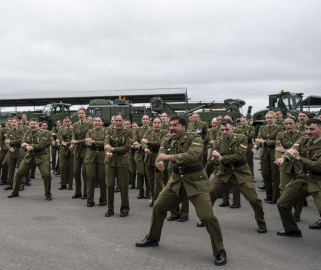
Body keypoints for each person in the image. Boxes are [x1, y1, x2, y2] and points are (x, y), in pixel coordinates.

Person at [136, 116, 226, 266]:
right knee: (158, 207)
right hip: (176, 181)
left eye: (175, 125)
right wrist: (159, 163)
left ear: (184, 127)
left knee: (207, 216)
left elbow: (193, 155)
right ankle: (153, 237)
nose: (172, 128)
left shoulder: (195, 138)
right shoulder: (167, 139)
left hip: (196, 181)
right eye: (170, 125)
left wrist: (168, 157)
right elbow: (160, 154)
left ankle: (220, 251)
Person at [204, 119, 267, 233]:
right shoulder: (218, 141)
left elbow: (240, 156)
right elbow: (215, 158)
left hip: (241, 173)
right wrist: (215, 159)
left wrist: (221, 158)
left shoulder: (241, 138)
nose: (224, 132)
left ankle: (261, 223)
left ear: (232, 129)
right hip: (224, 173)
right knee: (210, 195)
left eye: (227, 129)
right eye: (222, 130)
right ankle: (206, 219)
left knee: (254, 200)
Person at [276, 118, 321, 235]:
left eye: (312, 129)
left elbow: (317, 166)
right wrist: (284, 158)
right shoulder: (304, 139)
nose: (308, 132)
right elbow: (293, 150)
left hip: (318, 180)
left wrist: (300, 158)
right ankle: (291, 230)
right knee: (282, 203)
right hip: (304, 178)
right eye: (306, 129)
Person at [8, 118, 52, 200]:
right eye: (31, 124)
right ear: (29, 125)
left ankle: (48, 193)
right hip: (31, 156)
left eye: (34, 124)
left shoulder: (44, 133)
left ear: (38, 124)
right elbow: (22, 143)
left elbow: (41, 145)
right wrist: (26, 146)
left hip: (42, 156)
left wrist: (30, 146)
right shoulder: (27, 132)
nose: (33, 126)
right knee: (19, 173)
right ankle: (15, 192)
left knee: (46, 175)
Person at [275, 117, 305, 221]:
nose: (288, 126)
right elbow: (278, 149)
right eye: (286, 124)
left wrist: (285, 150)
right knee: (284, 189)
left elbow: (300, 150)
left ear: (295, 124)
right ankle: (287, 213)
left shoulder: (302, 135)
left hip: (298, 165)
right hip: (285, 165)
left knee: (299, 190)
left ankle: (297, 214)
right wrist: (279, 158)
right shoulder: (280, 135)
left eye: (291, 123)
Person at [104, 114, 133, 217]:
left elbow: (126, 148)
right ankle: (110, 209)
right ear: (114, 121)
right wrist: (108, 151)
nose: (118, 123)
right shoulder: (109, 130)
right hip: (110, 160)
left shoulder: (129, 131)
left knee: (123, 186)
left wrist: (113, 149)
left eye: (120, 121)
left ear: (123, 121)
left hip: (122, 161)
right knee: (109, 185)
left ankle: (124, 209)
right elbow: (106, 144)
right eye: (116, 120)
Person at [254, 112, 283, 203]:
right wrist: (255, 146)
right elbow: (258, 139)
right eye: (267, 118)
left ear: (274, 118)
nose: (269, 119)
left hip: (275, 153)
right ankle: (269, 195)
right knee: (265, 174)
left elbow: (278, 141)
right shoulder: (263, 127)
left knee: (275, 176)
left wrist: (266, 142)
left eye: (271, 118)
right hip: (265, 154)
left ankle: (275, 197)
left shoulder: (279, 128)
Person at [84, 117, 107, 207]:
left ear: (102, 123)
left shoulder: (106, 131)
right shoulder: (89, 132)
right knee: (90, 178)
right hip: (91, 157)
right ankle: (90, 200)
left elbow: (106, 143)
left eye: (99, 121)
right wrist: (92, 143)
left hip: (102, 156)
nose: (97, 122)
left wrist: (93, 142)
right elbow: (87, 143)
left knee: (102, 179)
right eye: (95, 121)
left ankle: (103, 199)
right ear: (93, 123)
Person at [71, 108, 92, 199]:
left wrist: (77, 142)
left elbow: (89, 138)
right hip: (77, 151)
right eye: (79, 113)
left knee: (85, 172)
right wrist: (72, 144)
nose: (80, 115)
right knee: (75, 171)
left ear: (85, 114)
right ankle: (78, 192)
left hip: (85, 150)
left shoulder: (90, 125)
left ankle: (86, 193)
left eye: (82, 113)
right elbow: (73, 138)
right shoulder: (75, 125)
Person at [57, 117, 74, 191]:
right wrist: (61, 142)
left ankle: (70, 184)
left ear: (71, 122)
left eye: (68, 121)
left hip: (71, 149)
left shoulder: (73, 129)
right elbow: (59, 137)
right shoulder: (61, 129)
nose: (67, 123)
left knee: (71, 167)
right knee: (62, 167)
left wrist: (69, 143)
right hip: (63, 149)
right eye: (65, 121)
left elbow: (74, 138)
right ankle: (63, 184)